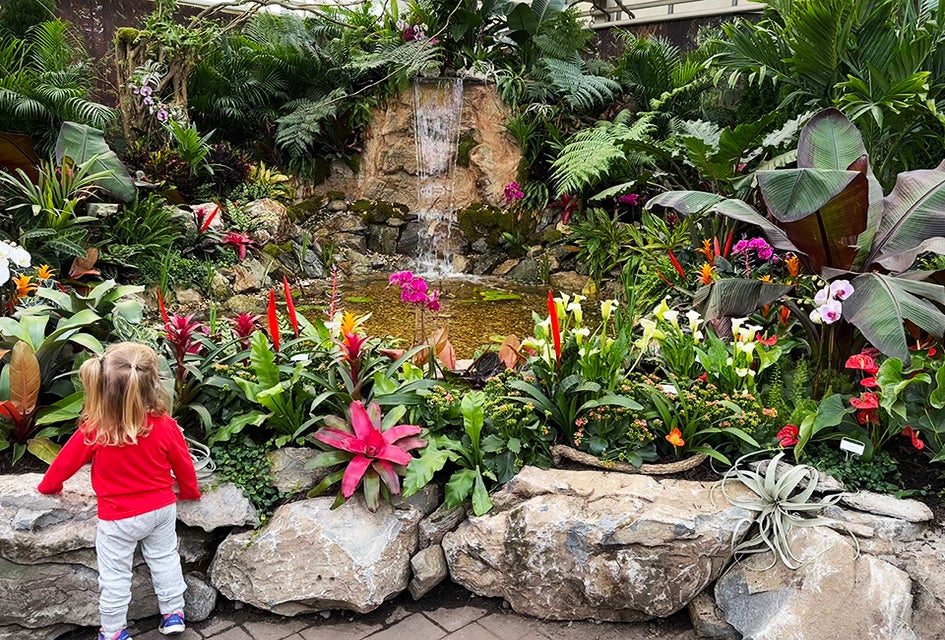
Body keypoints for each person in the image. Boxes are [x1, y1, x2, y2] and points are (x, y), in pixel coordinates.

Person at [37, 342, 201, 640]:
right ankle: (174, 613)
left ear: (101, 385)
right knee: (165, 559)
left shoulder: (95, 429)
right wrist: (189, 491)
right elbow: (184, 464)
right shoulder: (165, 425)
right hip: (161, 510)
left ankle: (113, 632)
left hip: (117, 519)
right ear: (152, 384)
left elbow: (63, 465)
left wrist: (49, 487)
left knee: (114, 577)